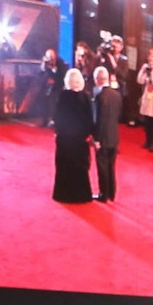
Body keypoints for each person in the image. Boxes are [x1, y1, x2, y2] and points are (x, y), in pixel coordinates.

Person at [51, 68, 95, 203]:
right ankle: (82, 195)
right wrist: (88, 134)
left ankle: (63, 194)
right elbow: (90, 118)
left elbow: (58, 117)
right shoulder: (86, 97)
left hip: (65, 139)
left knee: (64, 166)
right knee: (80, 167)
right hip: (80, 140)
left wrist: (57, 131)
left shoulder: (63, 96)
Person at [91, 64, 121, 204]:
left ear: (98, 79)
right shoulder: (116, 95)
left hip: (103, 138)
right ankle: (112, 193)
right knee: (111, 166)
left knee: (102, 167)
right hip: (114, 137)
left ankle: (104, 194)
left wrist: (97, 139)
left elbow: (99, 120)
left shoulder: (99, 97)